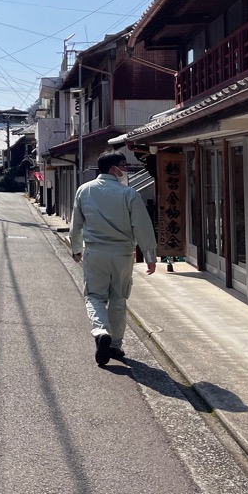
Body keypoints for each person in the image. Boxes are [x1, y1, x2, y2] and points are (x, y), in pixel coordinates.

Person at [69, 151, 157, 366]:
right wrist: (149, 255)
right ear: (113, 168)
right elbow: (142, 226)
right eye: (123, 165)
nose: (126, 169)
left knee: (94, 296)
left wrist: (76, 248)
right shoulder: (129, 193)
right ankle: (115, 345)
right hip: (122, 253)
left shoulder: (84, 190)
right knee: (119, 298)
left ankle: (100, 331)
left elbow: (76, 223)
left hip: (95, 251)